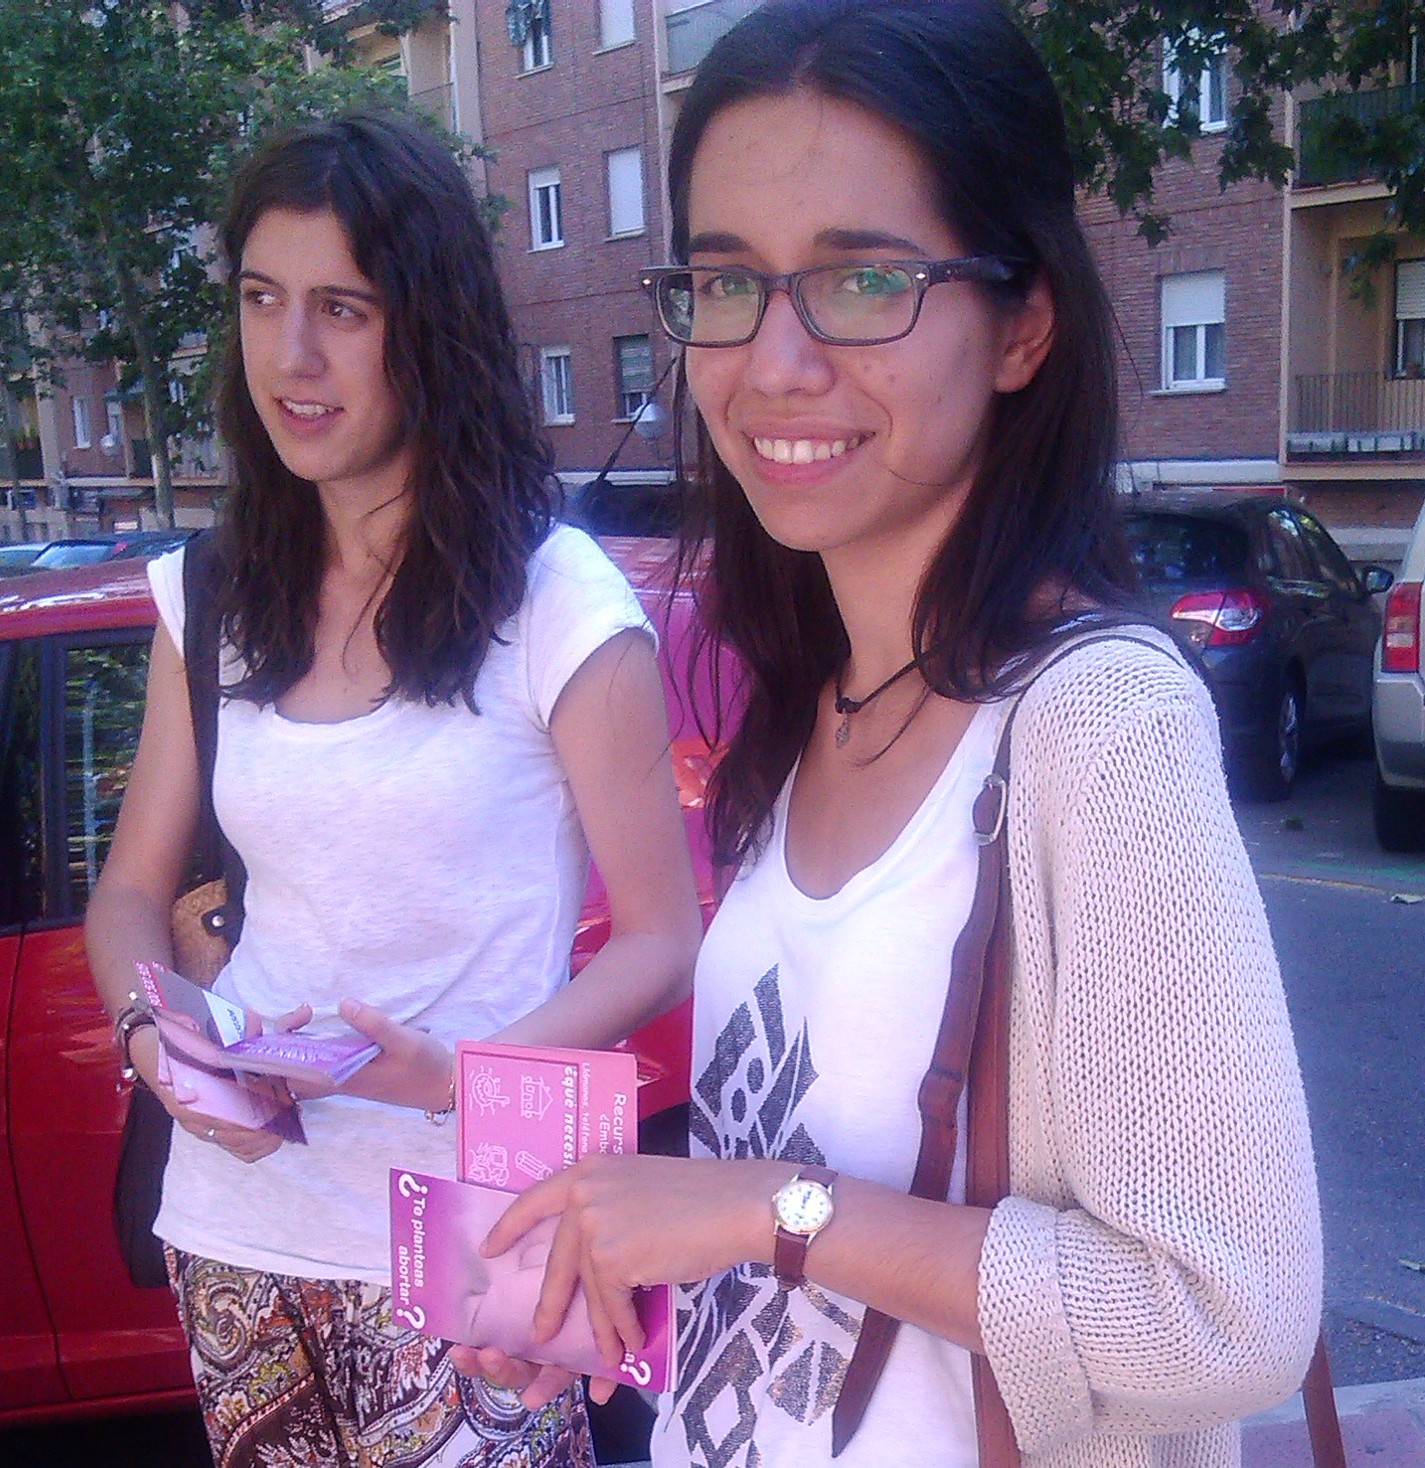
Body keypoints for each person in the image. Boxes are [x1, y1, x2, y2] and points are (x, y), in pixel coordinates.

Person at [461, 4, 1324, 1466]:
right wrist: (626, 1269)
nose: (773, 361)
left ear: (1021, 325)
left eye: (863, 279)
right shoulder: (808, 701)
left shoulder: (1098, 725)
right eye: (726, 284)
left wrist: (758, 1211)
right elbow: (802, 1219)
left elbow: (1221, 1317)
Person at [85, 110, 701, 1468]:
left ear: (425, 330)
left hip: (478, 1232)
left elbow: (663, 937)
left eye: (342, 310)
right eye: (261, 299)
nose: (290, 356)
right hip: (238, 1232)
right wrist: (154, 1039)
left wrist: (457, 1079)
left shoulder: (556, 602)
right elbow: (128, 892)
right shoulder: (210, 595)